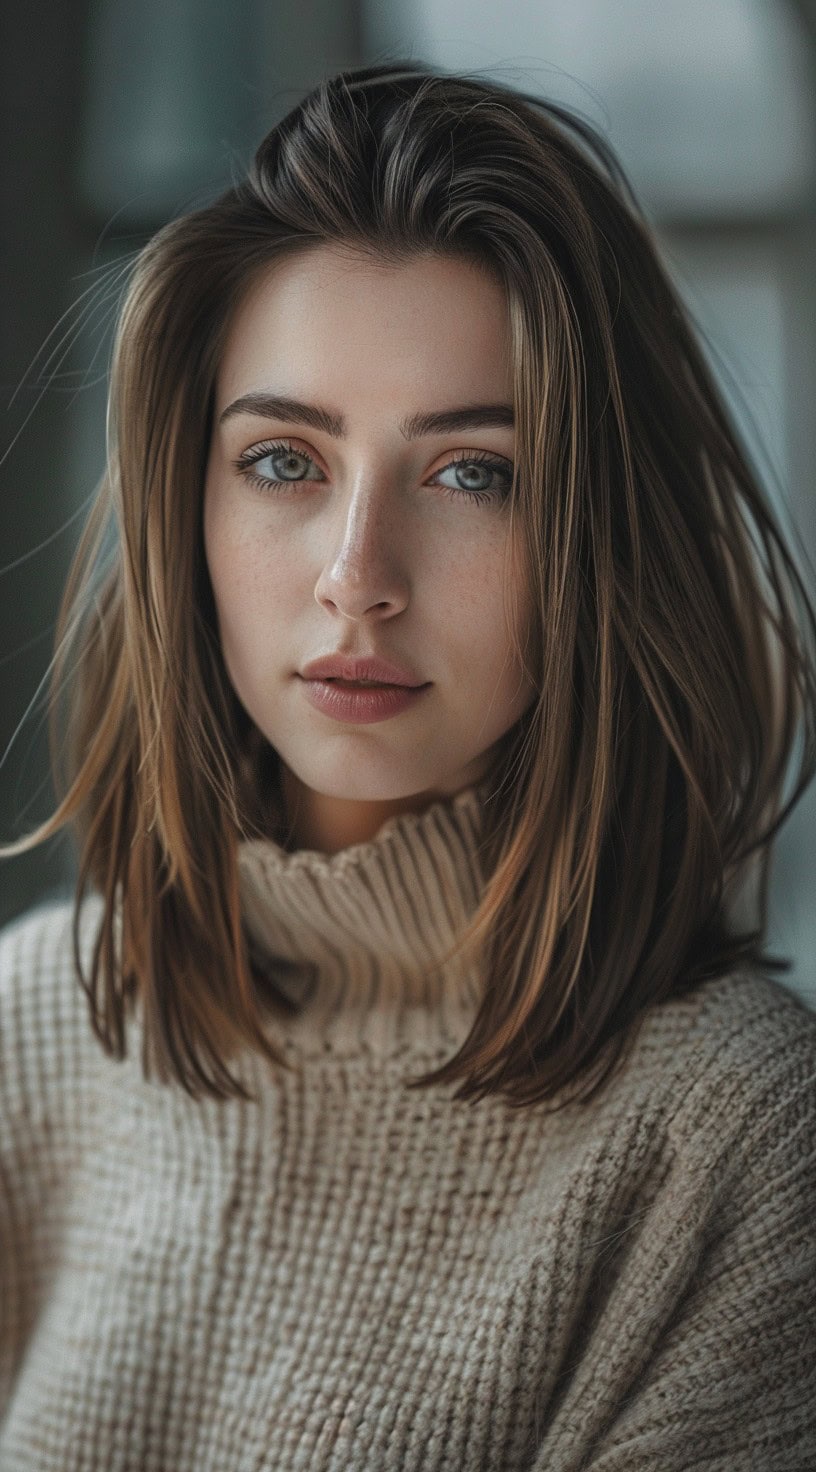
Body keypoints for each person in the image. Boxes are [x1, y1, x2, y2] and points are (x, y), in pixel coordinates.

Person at [1, 60, 815, 1472]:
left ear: (597, 541)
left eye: (471, 474)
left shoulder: (734, 1137)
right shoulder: (36, 1033)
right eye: (282, 462)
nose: (357, 579)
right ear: (184, 505)